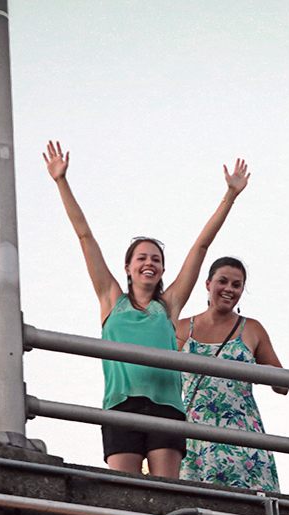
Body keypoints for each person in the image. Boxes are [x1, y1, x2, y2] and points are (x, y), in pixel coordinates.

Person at [43, 140, 250, 479]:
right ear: (128, 267)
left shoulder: (168, 306)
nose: (149, 263)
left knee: (164, 493)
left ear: (163, 270)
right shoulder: (111, 299)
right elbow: (85, 235)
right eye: (142, 258)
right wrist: (60, 180)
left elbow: (201, 246)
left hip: (166, 408)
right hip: (120, 405)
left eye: (156, 259)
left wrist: (230, 195)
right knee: (125, 494)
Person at [177, 256, 287, 492]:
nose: (229, 289)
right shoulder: (182, 328)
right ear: (208, 284)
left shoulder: (252, 329)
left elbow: (283, 385)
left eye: (236, 285)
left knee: (250, 512)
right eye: (222, 281)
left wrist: (255, 371)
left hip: (242, 435)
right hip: (194, 434)